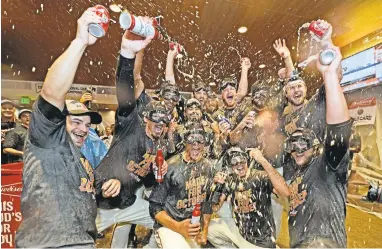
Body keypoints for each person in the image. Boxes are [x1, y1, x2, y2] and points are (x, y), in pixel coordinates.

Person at [15, 8, 121, 248]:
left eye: (86, 124)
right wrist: (80, 41)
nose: (83, 128)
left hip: (83, 241)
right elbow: (51, 92)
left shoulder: (82, 159)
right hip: (45, 244)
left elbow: (82, 192)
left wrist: (107, 185)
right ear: (59, 124)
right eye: (75, 121)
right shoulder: (47, 140)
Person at [94, 26, 170, 248]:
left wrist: (158, 172)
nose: (159, 126)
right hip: (100, 206)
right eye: (155, 121)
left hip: (130, 204)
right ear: (146, 119)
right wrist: (131, 54)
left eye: (163, 123)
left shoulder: (159, 147)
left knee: (162, 224)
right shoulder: (130, 124)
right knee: (74, 238)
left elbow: (145, 180)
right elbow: (128, 88)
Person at [285, 45, 352, 248]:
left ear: (315, 146)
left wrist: (330, 74)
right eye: (292, 144)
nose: (298, 148)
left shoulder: (327, 166)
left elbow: (338, 131)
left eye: (304, 143)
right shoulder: (294, 172)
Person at [149, 123, 216, 248]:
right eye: (191, 140)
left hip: (192, 227)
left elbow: (207, 202)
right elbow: (154, 207)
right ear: (185, 142)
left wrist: (205, 230)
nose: (196, 145)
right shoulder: (170, 167)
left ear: (205, 143)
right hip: (169, 226)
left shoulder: (207, 166)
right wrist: (177, 227)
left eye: (200, 140)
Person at [208, 147, 289, 248]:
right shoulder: (231, 180)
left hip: (261, 242)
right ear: (230, 166)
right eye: (234, 162)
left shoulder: (259, 177)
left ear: (247, 160)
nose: (239, 165)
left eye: (242, 160)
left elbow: (285, 192)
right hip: (240, 233)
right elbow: (214, 207)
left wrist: (263, 160)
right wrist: (216, 187)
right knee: (209, 229)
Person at [1, 99, 17, 164]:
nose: (7, 110)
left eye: (10, 108)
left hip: (17, 161)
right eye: (4, 108)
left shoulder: (21, 124)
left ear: (14, 109)